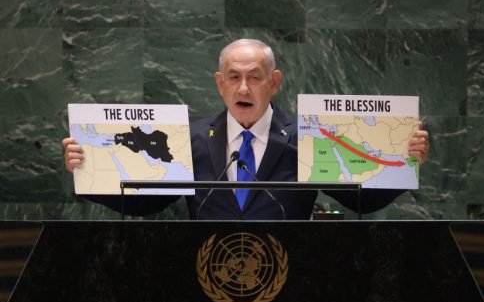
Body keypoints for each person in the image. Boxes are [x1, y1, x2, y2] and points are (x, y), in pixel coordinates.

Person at [63, 39, 430, 220]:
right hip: (207, 278)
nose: (243, 88)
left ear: (274, 82)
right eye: (234, 78)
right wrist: (89, 172)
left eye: (255, 77)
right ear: (219, 84)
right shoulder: (191, 139)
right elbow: (149, 202)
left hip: (289, 280)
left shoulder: (308, 138)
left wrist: (403, 163)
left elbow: (359, 200)